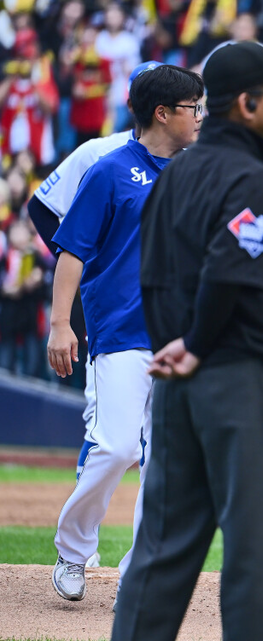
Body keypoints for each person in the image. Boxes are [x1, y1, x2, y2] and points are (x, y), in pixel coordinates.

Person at [110, 42, 263, 641]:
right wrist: (196, 343)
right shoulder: (252, 178)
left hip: (176, 384)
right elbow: (232, 267)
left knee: (163, 548)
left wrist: (175, 346)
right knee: (251, 549)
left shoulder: (176, 173)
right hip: (238, 378)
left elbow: (149, 272)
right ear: (248, 104)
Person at [46, 64, 204, 603]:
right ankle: (73, 549)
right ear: (163, 113)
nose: (201, 118)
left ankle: (139, 574)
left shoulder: (194, 173)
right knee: (114, 449)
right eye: (193, 108)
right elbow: (72, 251)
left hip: (180, 340)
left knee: (167, 463)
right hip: (121, 333)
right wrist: (60, 323)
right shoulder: (110, 170)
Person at [29, 61, 164, 535]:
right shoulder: (101, 154)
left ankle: (142, 564)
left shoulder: (193, 158)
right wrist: (90, 267)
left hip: (169, 321)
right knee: (112, 438)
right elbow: (42, 209)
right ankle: (78, 544)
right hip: (112, 311)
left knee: (162, 450)